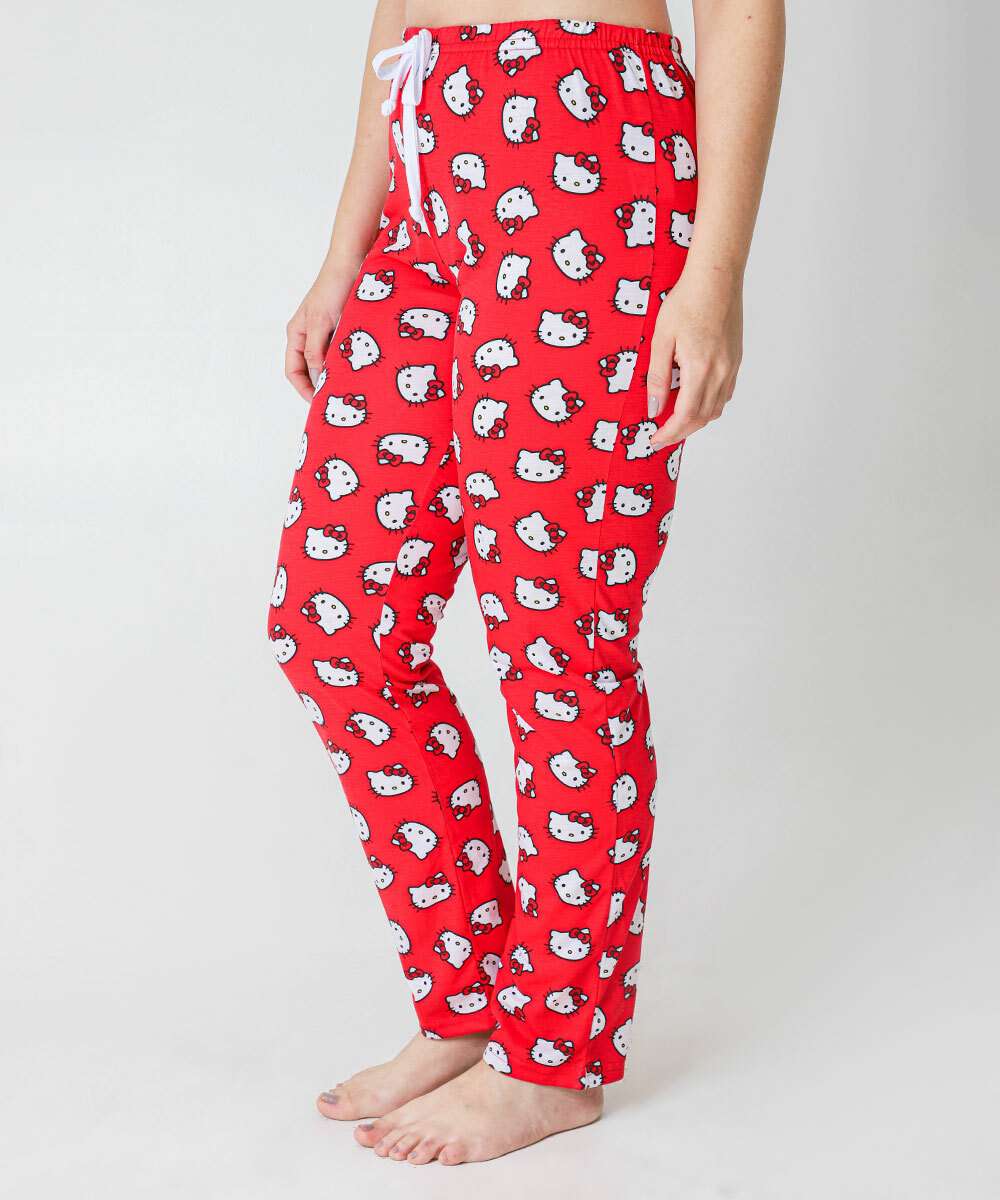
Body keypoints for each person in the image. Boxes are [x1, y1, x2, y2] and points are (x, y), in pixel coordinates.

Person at [267, 0, 784, 1166]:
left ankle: (554, 1054)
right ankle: (465, 998)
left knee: (559, 645)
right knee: (335, 627)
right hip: (425, 183)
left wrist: (713, 276)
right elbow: (398, 17)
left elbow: (739, 8)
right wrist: (344, 255)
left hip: (588, 150)